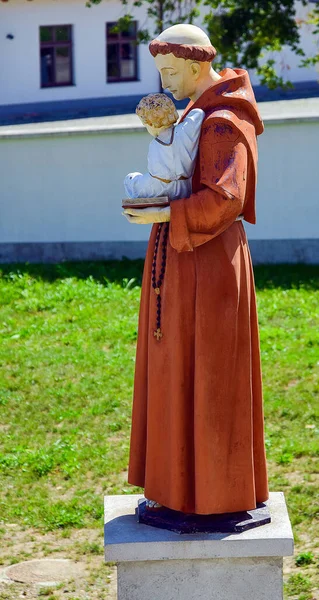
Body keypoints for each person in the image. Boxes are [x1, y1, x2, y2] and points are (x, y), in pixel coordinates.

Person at [123, 24, 269, 515]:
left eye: (170, 72)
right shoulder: (196, 113)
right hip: (183, 261)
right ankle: (178, 490)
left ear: (196, 66)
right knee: (177, 370)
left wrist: (161, 212)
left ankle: (214, 497)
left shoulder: (224, 121)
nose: (165, 83)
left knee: (210, 374)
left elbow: (225, 199)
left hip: (208, 266)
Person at [124, 93, 205, 201]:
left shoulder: (155, 144)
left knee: (130, 179)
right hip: (185, 186)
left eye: (145, 125)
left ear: (150, 123)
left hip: (161, 188)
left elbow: (158, 176)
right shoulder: (184, 131)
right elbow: (198, 113)